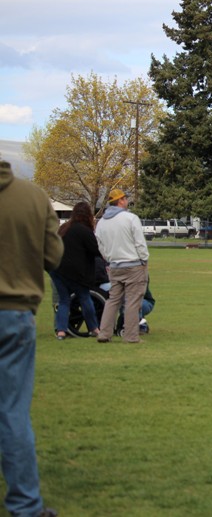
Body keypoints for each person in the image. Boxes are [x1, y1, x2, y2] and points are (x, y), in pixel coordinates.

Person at [0, 160, 61, 517]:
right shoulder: (34, 198)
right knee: (11, 413)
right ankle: (25, 505)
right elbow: (53, 258)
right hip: (14, 314)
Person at [94, 189, 149, 344]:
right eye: (125, 198)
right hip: (133, 265)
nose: (127, 201)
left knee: (113, 300)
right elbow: (139, 242)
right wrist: (144, 260)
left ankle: (104, 333)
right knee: (132, 301)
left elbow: (101, 247)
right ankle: (131, 336)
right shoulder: (130, 218)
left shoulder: (102, 223)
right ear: (120, 201)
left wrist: (110, 259)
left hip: (114, 265)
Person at [49, 202, 102, 339]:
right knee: (85, 298)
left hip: (56, 270)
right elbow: (96, 250)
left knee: (64, 300)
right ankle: (94, 328)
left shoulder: (64, 228)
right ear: (88, 215)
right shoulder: (85, 231)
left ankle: (61, 331)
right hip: (75, 272)